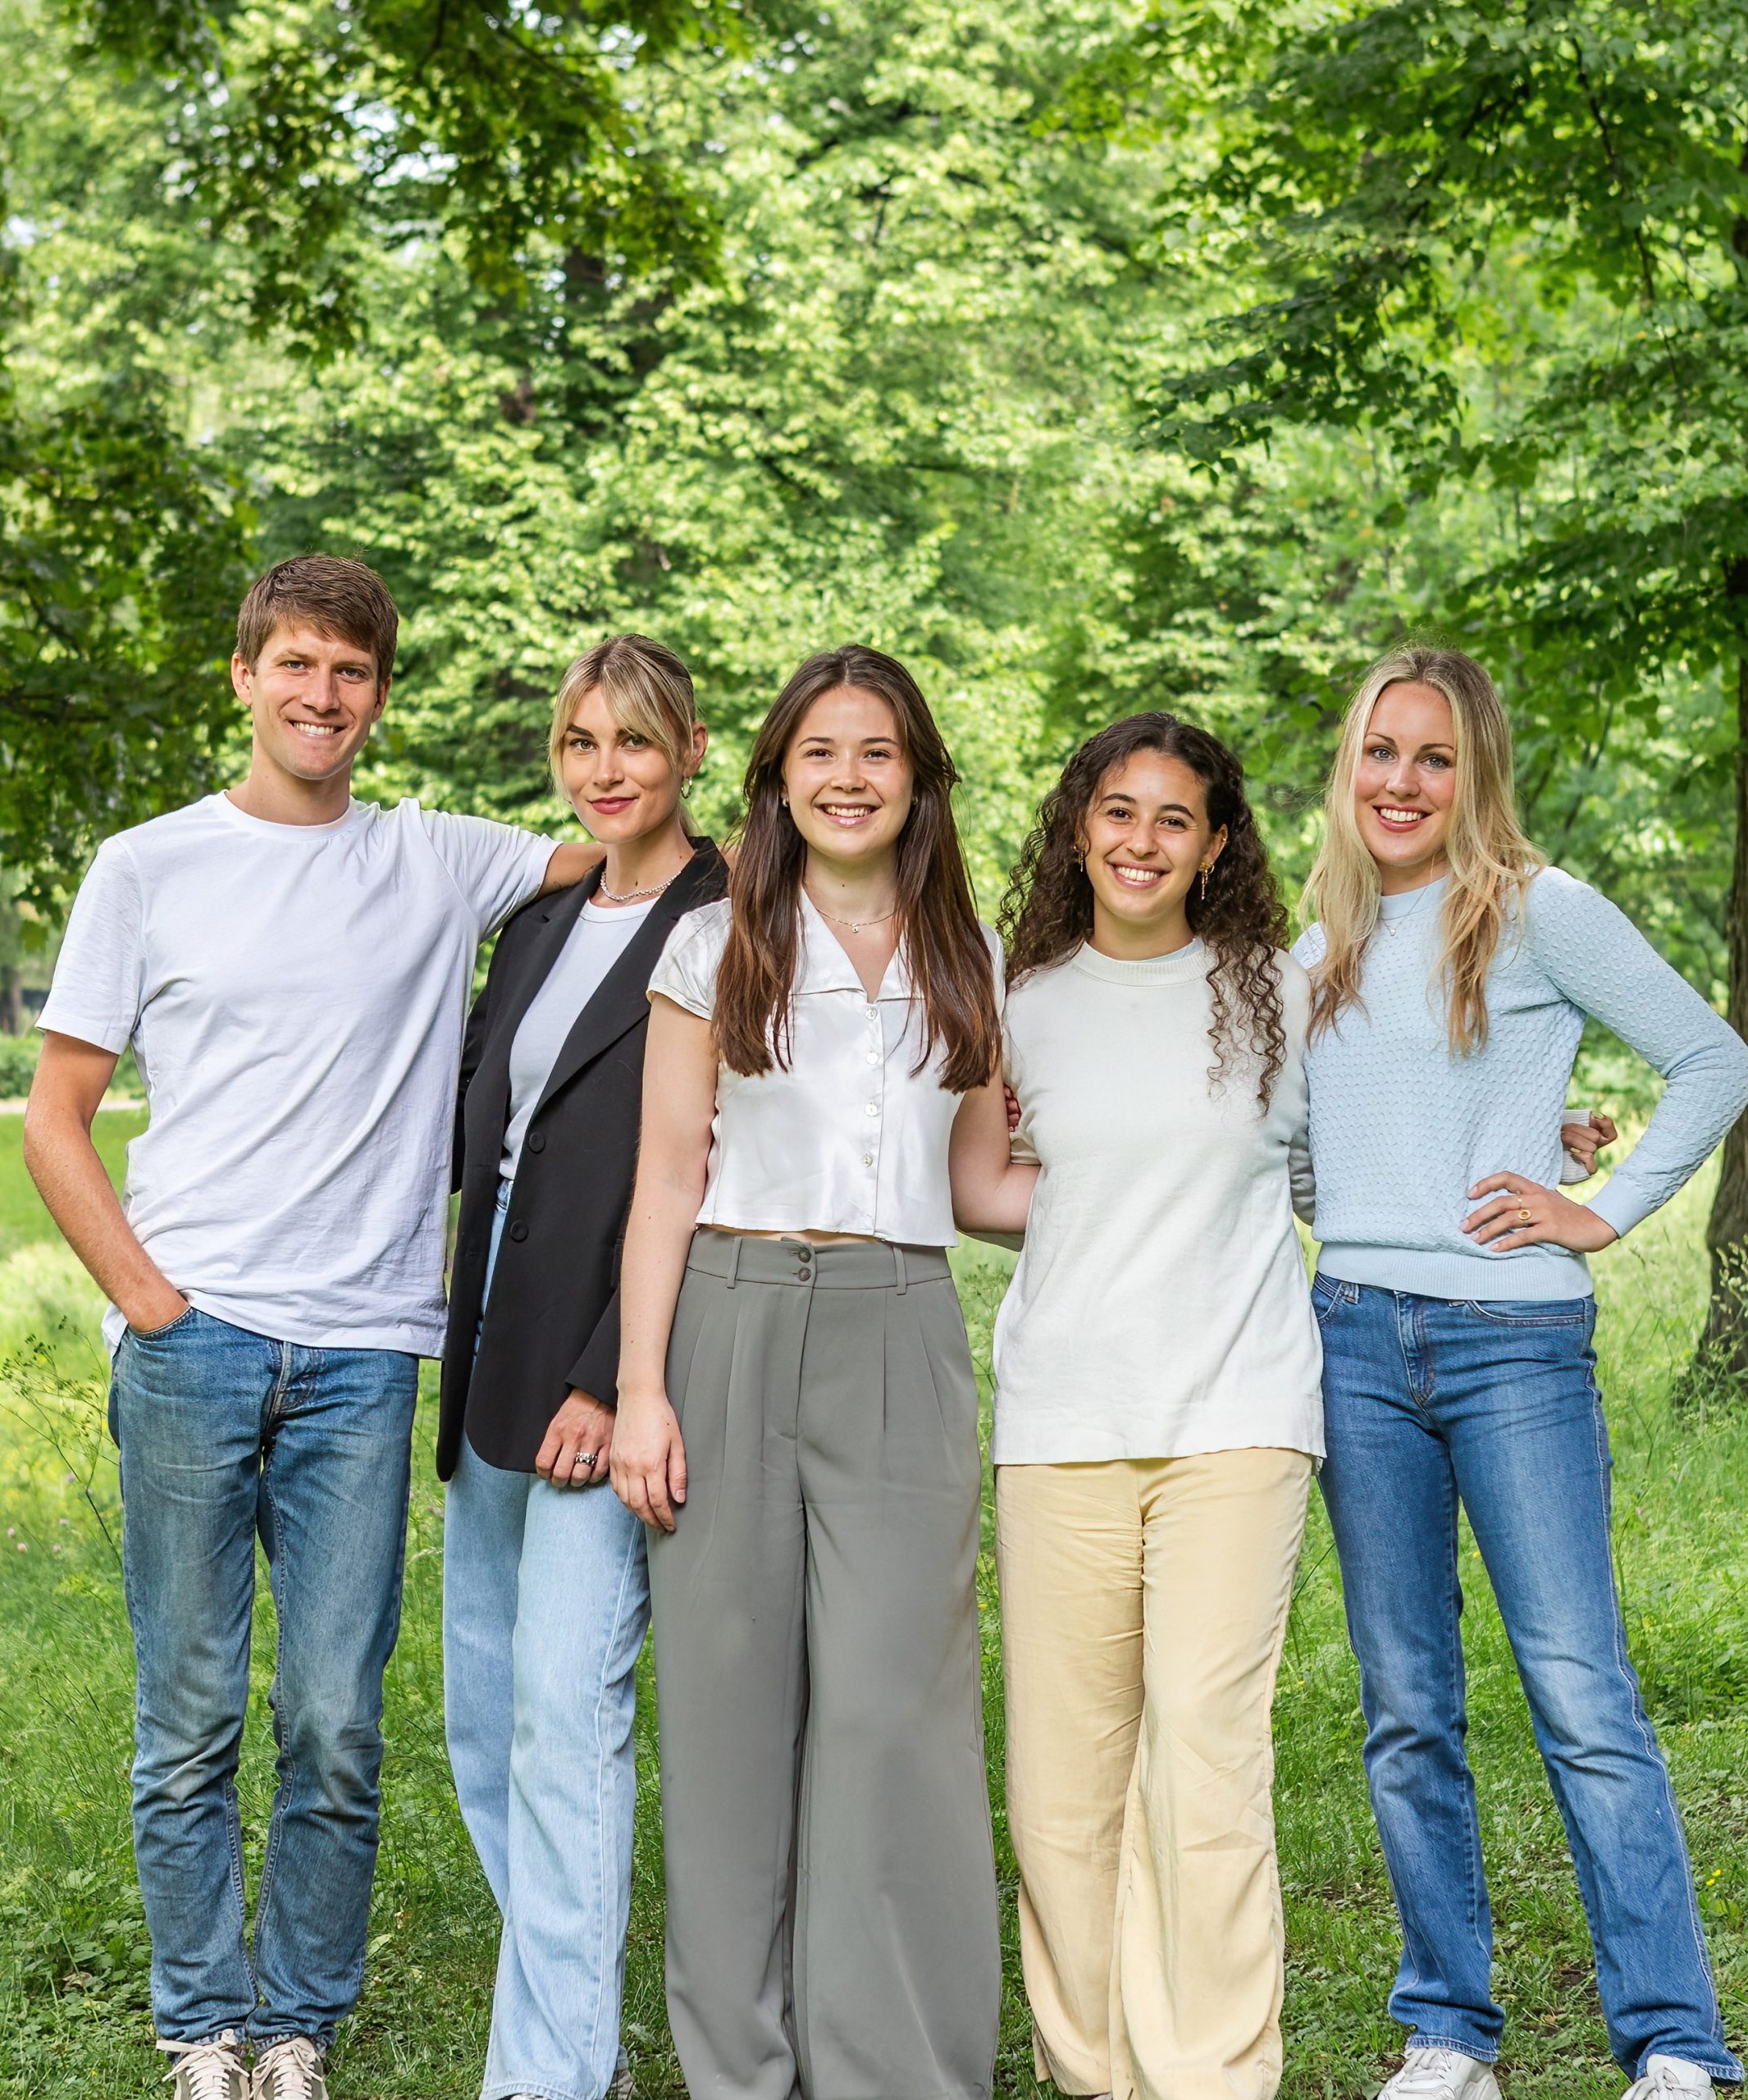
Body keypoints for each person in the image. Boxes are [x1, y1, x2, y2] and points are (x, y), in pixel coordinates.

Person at [24, 556, 600, 2100]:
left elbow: (628, 849)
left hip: (364, 1355)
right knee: (193, 1706)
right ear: (244, 677)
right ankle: (199, 2023)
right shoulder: (147, 867)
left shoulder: (435, 859)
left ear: (378, 699)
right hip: (195, 1341)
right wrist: (152, 1300)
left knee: (338, 1720)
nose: (321, 695)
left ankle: (298, 2027)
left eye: (350, 672)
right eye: (294, 664)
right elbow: (57, 1117)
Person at [1296, 647, 1748, 2100]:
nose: (1403, 783)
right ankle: (1449, 2031)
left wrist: (1600, 1206)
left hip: (1514, 1346)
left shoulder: (1540, 911)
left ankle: (1676, 2044)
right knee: (1405, 1704)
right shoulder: (1317, 944)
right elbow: (1304, 1156)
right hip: (1353, 1341)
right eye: (1382, 751)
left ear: (1476, 772)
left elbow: (1714, 1060)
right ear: (1348, 766)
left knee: (1580, 1694)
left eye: (1435, 758)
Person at [608, 644, 1005, 2100]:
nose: (849, 777)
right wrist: (644, 1387)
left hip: (901, 1321)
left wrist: (1206, 1181)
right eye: (821, 751)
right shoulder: (714, 944)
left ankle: (891, 2068)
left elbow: (982, 1185)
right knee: (724, 1716)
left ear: (918, 781)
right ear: (776, 776)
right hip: (731, 1309)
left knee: (893, 1711)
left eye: (879, 753)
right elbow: (664, 1177)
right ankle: (739, 2072)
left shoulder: (972, 957)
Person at [951, 713, 1321, 2100]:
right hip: (1062, 1418)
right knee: (1063, 1775)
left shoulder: (1288, 990)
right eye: (1118, 812)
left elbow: (1349, 1161)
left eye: (1175, 819)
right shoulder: (1015, 993)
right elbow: (977, 1187)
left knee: (1206, 1755)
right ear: (1079, 826)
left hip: (1239, 1412)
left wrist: (1540, 1142)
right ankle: (1094, 2067)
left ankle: (1210, 2072)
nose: (1143, 842)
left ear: (1219, 843)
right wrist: (1108, 1206)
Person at [436, 634, 723, 2100]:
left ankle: (547, 2077)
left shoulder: (732, 916)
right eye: (581, 745)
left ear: (689, 752)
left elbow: (709, 1169)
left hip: (614, 1355)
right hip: (489, 1336)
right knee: (482, 1719)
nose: (607, 772)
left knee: (565, 1717)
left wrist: (612, 1374)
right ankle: (576, 2037)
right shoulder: (541, 922)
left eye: (636, 743)